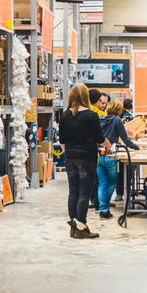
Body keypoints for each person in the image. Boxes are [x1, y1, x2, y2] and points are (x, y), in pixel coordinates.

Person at [59, 83, 110, 239]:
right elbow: (99, 138)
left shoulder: (65, 115)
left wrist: (68, 153)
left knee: (73, 191)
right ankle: (81, 226)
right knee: (84, 193)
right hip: (86, 158)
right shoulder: (91, 115)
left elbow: (62, 141)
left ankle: (73, 228)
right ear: (85, 97)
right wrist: (108, 145)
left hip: (70, 158)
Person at [98, 100, 139, 219]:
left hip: (98, 155)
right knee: (112, 183)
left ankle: (103, 209)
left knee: (102, 183)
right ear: (118, 110)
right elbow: (125, 139)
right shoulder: (117, 121)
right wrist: (136, 148)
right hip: (111, 156)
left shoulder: (100, 120)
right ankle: (105, 208)